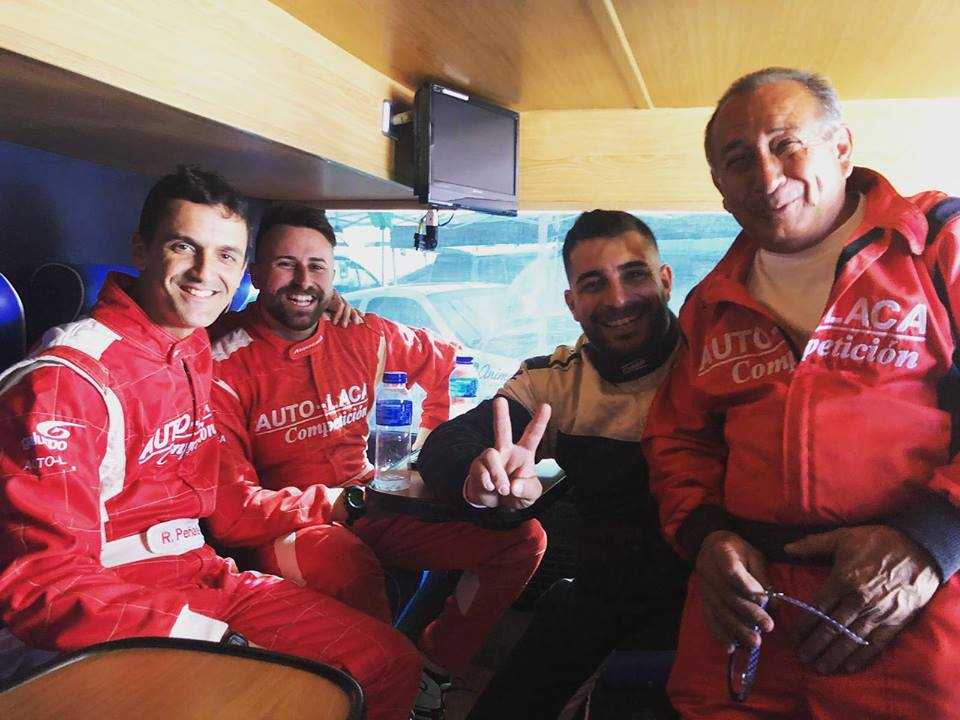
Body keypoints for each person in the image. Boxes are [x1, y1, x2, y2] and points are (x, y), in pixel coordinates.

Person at [0, 167, 421, 720]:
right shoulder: (65, 382)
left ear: (244, 271)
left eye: (226, 256)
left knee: (389, 663)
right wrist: (211, 639)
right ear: (141, 249)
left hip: (200, 573)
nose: (205, 273)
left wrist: (319, 296)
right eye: (183, 247)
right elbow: (43, 585)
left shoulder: (194, 344)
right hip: (105, 607)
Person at [643, 66, 960, 719]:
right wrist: (706, 538)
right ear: (720, 187)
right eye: (739, 161)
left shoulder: (939, 245)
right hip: (744, 618)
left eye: (786, 144)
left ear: (841, 148)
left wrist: (935, 540)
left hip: (917, 606)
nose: (765, 177)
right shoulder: (710, 304)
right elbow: (678, 442)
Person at [208, 202, 547, 720]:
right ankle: (381, 699)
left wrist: (427, 451)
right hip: (283, 526)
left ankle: (431, 669)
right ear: (254, 272)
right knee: (345, 561)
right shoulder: (222, 361)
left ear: (333, 275)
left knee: (521, 539)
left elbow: (445, 360)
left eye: (317, 266)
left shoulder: (360, 333)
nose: (303, 280)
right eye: (285, 264)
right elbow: (232, 515)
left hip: (369, 499)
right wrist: (339, 503)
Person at [417, 210, 690, 719]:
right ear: (571, 303)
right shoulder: (556, 380)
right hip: (600, 598)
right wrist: (480, 474)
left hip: (710, 602)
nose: (618, 299)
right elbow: (449, 442)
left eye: (634, 275)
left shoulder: (715, 364)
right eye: (594, 284)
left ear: (666, 281)